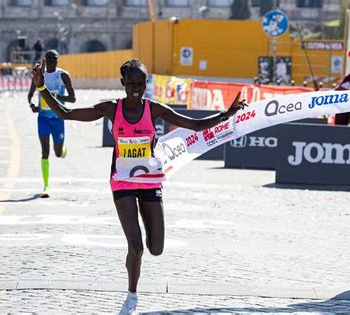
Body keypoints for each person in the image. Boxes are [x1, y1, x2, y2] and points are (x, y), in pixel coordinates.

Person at [31, 58, 246, 314]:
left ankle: (144, 244)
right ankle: (131, 295)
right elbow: (67, 114)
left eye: (141, 83)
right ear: (123, 83)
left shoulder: (154, 109)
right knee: (136, 246)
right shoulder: (112, 108)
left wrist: (227, 114)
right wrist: (42, 88)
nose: (136, 88)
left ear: (146, 84)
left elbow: (195, 125)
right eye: (131, 83)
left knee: (156, 248)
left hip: (150, 182)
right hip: (122, 182)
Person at [27, 49, 76, 198]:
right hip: (43, 118)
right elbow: (30, 95)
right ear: (44, 60)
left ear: (57, 60)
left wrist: (58, 97)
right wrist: (32, 105)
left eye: (53, 59)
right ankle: (46, 185)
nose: (50, 61)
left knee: (57, 152)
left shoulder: (63, 75)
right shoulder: (39, 75)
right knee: (45, 151)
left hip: (58, 118)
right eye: (48, 58)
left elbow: (73, 99)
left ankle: (62, 150)